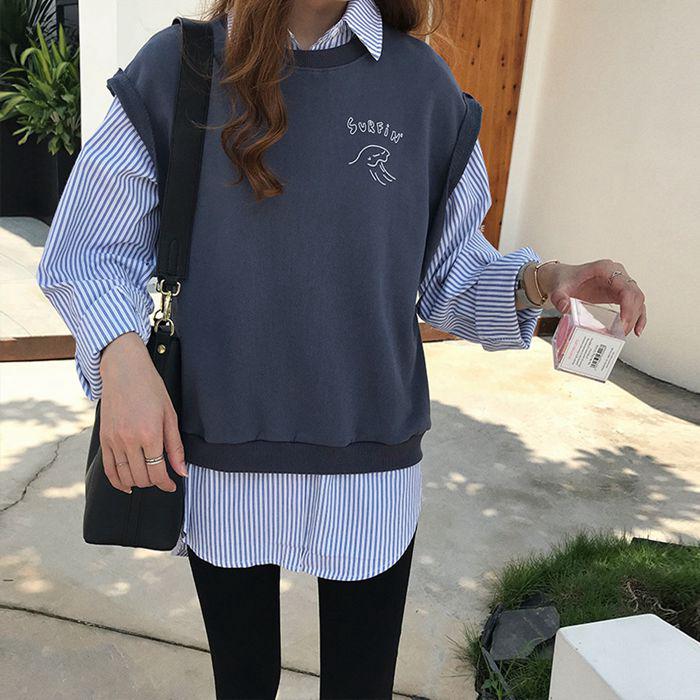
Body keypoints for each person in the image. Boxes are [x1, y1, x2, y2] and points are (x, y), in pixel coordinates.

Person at [36, 1, 647, 697]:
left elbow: (450, 275)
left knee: (361, 686)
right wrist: (121, 359)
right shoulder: (181, 68)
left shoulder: (422, 88)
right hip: (221, 457)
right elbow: (86, 249)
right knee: (243, 682)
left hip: (370, 465)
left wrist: (545, 280)